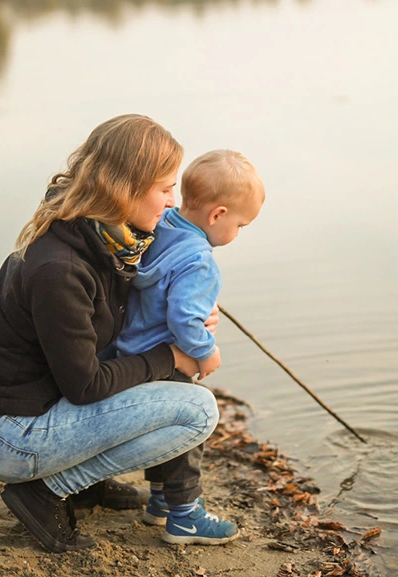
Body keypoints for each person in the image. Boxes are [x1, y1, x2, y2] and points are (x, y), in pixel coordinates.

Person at [0, 114, 239, 553]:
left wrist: (190, 312)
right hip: (0, 434)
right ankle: (47, 490)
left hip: (31, 405)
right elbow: (86, 385)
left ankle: (84, 487)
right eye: (164, 188)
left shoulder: (106, 239)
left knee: (158, 385)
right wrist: (173, 357)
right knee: (198, 409)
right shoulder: (60, 268)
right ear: (125, 189)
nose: (172, 201)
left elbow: (110, 333)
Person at [115, 150, 264, 543]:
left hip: (130, 350)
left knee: (165, 424)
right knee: (188, 429)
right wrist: (204, 352)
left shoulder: (160, 225)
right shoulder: (200, 260)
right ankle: (185, 515)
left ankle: (161, 500)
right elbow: (184, 320)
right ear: (216, 215)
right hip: (165, 357)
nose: (238, 233)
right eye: (240, 225)